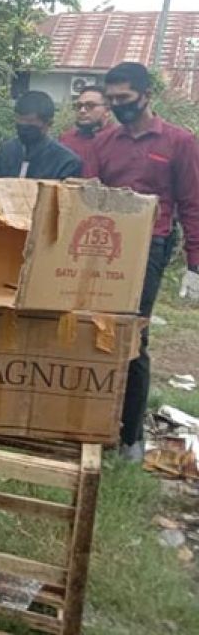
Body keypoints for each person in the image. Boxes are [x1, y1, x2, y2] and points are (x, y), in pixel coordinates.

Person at [84, 61, 199, 461]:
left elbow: (191, 203)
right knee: (94, 329)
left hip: (151, 245)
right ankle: (89, 423)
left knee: (134, 337)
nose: (118, 106)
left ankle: (130, 437)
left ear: (147, 95)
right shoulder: (105, 142)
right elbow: (90, 194)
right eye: (112, 100)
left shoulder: (179, 142)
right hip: (103, 246)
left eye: (126, 99)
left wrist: (194, 262)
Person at [0, 91, 81, 180]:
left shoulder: (66, 162)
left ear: (48, 123)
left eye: (30, 122)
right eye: (19, 119)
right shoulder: (7, 151)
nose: (23, 125)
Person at [58, 85, 111, 168]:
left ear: (107, 110)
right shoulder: (66, 139)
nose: (82, 111)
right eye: (79, 106)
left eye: (90, 106)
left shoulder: (116, 140)